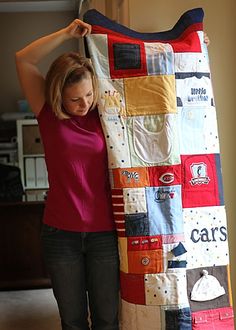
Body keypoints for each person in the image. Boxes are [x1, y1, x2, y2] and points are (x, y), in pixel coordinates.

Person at [15, 19, 120, 330]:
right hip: (60, 235)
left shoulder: (105, 114)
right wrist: (65, 34)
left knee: (107, 320)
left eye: (88, 95)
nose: (84, 104)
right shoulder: (47, 113)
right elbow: (23, 58)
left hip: (104, 235)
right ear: (60, 94)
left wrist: (193, 50)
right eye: (75, 98)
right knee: (72, 321)